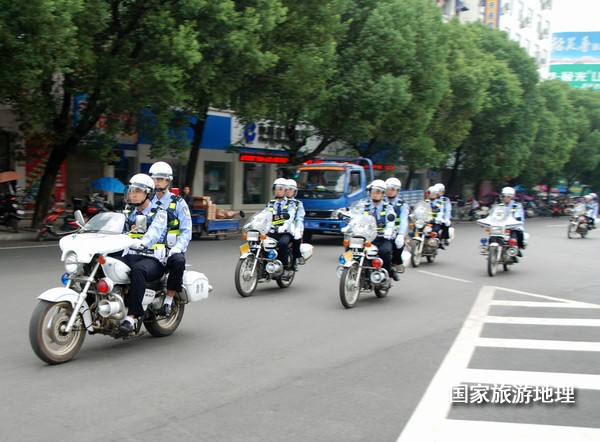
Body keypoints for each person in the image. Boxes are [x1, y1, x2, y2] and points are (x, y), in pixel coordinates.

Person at [116, 174, 168, 336]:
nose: (133, 194)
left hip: (152, 258)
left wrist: (143, 242)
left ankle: (132, 317)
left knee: (138, 270)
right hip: (131, 254)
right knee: (104, 262)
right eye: (131, 190)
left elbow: (153, 233)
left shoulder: (159, 213)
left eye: (137, 191)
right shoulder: (126, 212)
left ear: (148, 193)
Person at [149, 161, 193, 316]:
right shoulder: (146, 201)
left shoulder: (179, 203)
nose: (156, 182)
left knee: (179, 261)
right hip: (149, 249)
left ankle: (168, 300)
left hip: (170, 249)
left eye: (160, 179)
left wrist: (177, 248)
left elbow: (186, 231)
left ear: (168, 181)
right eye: (154, 179)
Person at [362, 179, 397, 280]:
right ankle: (353, 269)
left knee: (384, 251)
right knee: (351, 247)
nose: (375, 194)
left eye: (378, 192)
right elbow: (356, 218)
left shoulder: (388, 208)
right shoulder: (364, 206)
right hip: (367, 238)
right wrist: (349, 226)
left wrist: (388, 230)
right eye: (373, 192)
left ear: (383, 194)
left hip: (382, 238)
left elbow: (391, 221)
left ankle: (387, 273)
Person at [265, 178, 296, 276]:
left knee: (282, 244)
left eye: (281, 189)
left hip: (285, 232)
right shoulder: (271, 203)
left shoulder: (291, 204)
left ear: (286, 190)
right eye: (276, 189)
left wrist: (285, 225)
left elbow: (290, 217)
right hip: (272, 231)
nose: (278, 191)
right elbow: (263, 214)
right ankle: (263, 265)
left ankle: (285, 267)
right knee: (260, 243)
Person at [385, 177, 408, 276]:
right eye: (388, 189)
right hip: (382, 231)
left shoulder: (402, 205)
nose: (389, 192)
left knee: (397, 245)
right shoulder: (380, 201)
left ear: (397, 191)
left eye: (392, 189)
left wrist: (401, 234)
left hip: (396, 231)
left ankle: (393, 265)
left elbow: (403, 220)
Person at [498, 186, 526, 257]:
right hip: (501, 226)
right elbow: (493, 215)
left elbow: (519, 215)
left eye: (507, 197)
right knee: (492, 234)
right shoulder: (499, 205)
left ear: (511, 197)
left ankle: (517, 249)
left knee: (517, 235)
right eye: (504, 196)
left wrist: (517, 220)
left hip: (513, 226)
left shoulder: (516, 205)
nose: (505, 198)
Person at [285, 179, 306, 270]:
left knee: (295, 239)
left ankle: (294, 260)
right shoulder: (275, 202)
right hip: (278, 227)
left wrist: (297, 229)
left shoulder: (297, 204)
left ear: (294, 191)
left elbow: (300, 218)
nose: (288, 191)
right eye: (287, 189)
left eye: (291, 189)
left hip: (293, 227)